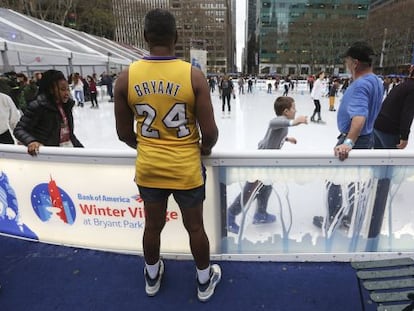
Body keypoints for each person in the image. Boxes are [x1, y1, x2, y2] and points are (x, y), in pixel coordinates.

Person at [113, 8, 221, 302]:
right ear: (176, 37)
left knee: (152, 226)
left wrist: (148, 148)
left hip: (149, 168)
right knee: (195, 227)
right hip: (186, 168)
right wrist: (204, 149)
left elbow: (123, 133)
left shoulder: (125, 78)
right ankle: (203, 281)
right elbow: (210, 133)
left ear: (146, 37)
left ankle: (151, 276)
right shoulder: (193, 76)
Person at [313, 41, 384, 233]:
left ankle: (333, 219)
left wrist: (348, 143)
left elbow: (359, 118)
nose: (346, 65)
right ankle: (349, 218)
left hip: (356, 138)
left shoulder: (360, 85)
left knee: (334, 179)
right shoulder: (376, 81)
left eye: (347, 61)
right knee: (355, 181)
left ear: (355, 63)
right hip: (367, 137)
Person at [227, 96, 307, 234]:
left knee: (266, 188)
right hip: (260, 164)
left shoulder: (283, 124)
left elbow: (276, 134)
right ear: (286, 111)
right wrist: (296, 121)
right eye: (294, 108)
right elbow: (275, 123)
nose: (296, 110)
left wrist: (286, 138)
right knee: (249, 193)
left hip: (268, 165)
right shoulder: (278, 121)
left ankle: (261, 214)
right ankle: (229, 216)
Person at [13, 70, 83, 156]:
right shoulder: (38, 106)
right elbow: (19, 129)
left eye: (67, 89)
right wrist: (31, 141)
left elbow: (68, 133)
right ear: (51, 89)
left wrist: (81, 149)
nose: (67, 93)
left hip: (67, 148)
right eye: (62, 90)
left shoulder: (66, 105)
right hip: (49, 153)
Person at [374, 65, 414, 149]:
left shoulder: (402, 85)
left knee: (379, 159)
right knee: (391, 160)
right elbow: (407, 114)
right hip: (390, 130)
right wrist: (404, 136)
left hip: (378, 125)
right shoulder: (411, 89)